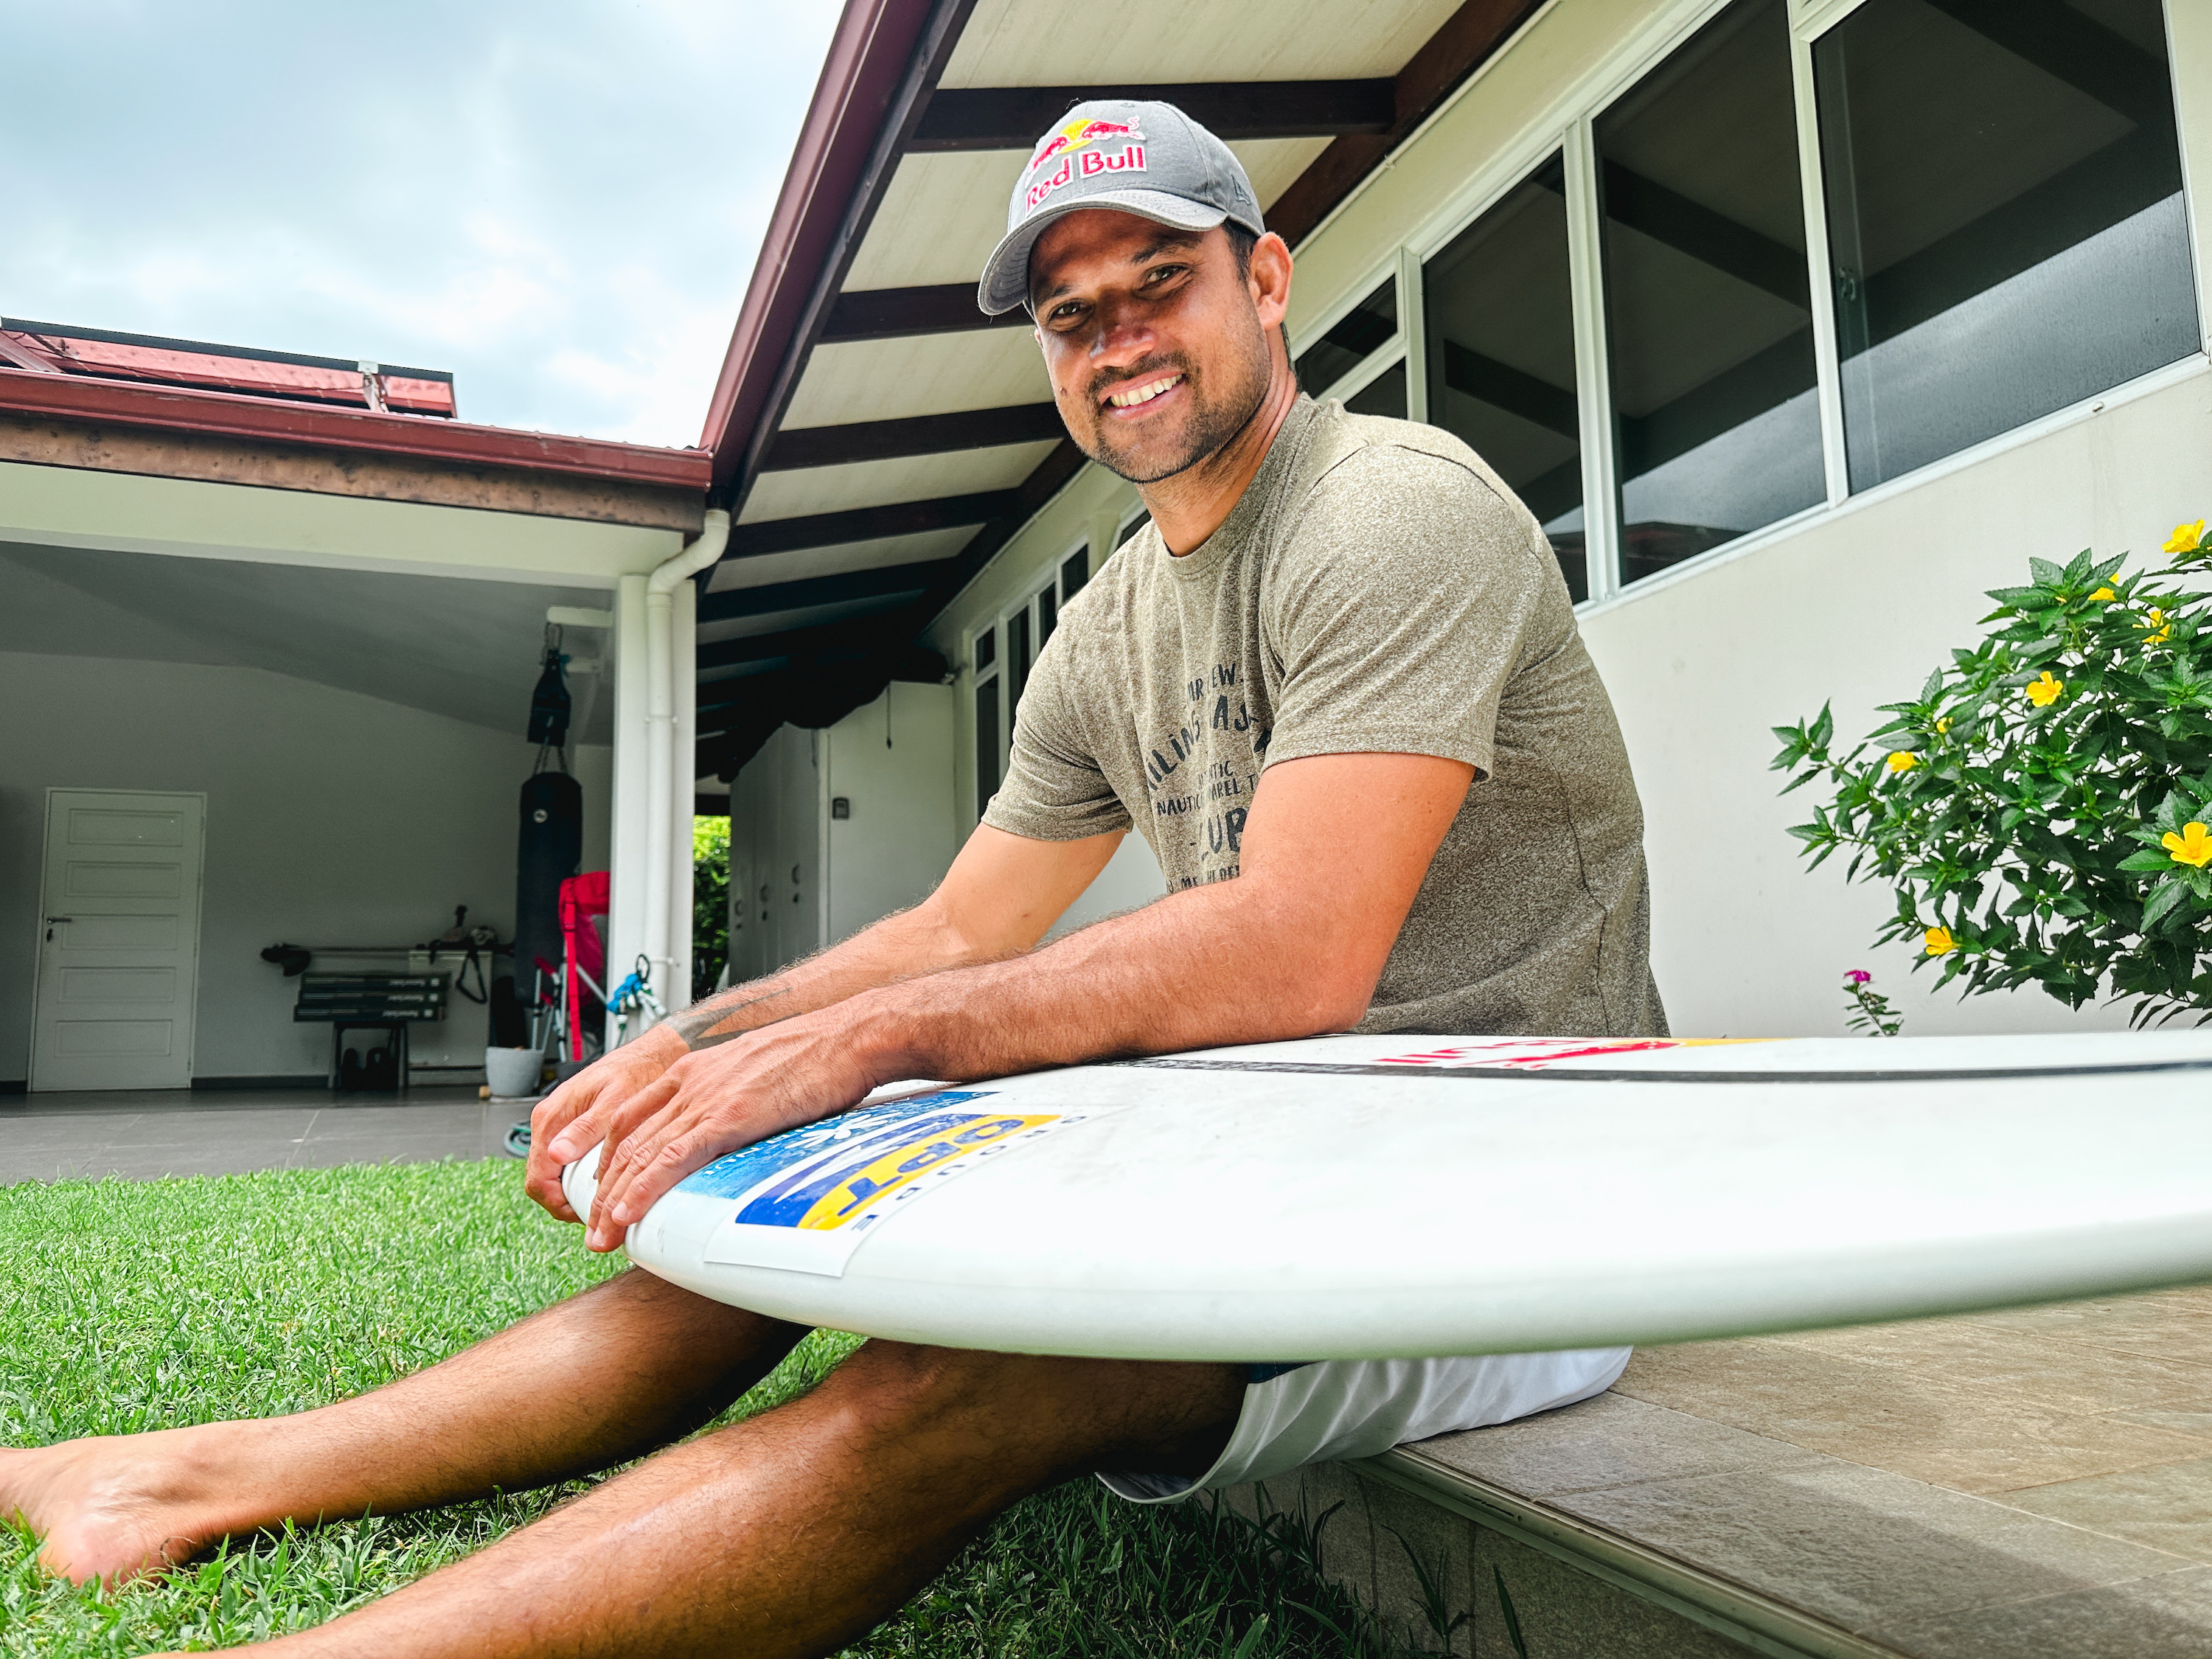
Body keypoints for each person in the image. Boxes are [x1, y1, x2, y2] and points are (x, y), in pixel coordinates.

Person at [0, 100, 1664, 1658]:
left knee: (975, 1354)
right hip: (1272, 1130)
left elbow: (1301, 949)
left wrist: (878, 1042)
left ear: (1267, 280)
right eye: (1073, 319)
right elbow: (958, 925)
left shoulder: (1388, 514)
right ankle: (175, 1480)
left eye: (1161, 285)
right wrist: (708, 1045)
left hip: (1515, 1191)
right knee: (783, 1190)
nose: (1121, 342)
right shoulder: (1106, 622)